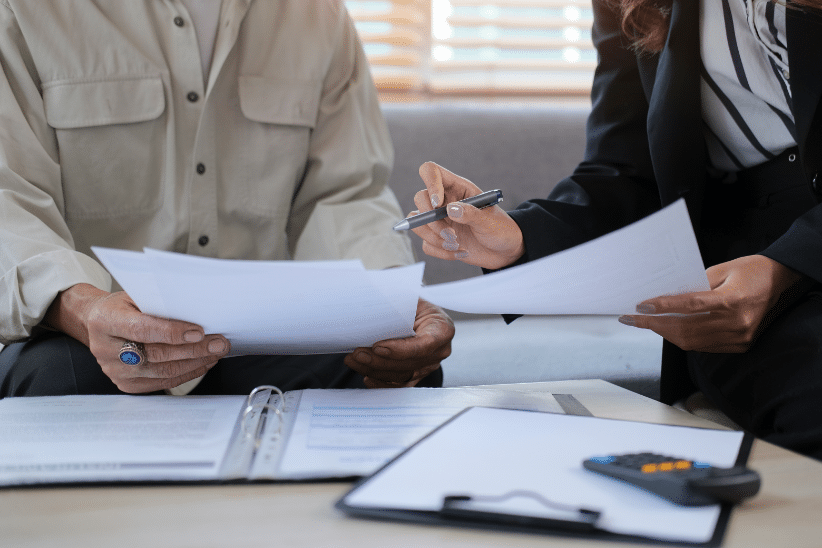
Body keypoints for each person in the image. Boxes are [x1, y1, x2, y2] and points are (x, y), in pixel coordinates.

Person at [407, 0, 822, 460]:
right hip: (736, 283)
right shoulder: (629, 4)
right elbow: (625, 172)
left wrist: (791, 262)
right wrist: (519, 240)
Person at [0, 0, 453, 397]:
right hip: (83, 334)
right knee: (66, 382)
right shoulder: (23, 9)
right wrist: (85, 310)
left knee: (398, 374)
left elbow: (344, 192)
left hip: (259, 334)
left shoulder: (319, 13)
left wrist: (388, 305)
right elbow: (9, 197)